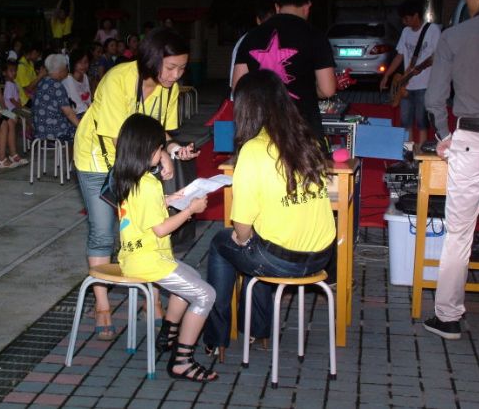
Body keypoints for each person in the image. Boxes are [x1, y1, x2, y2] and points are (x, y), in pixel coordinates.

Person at [73, 27, 198, 340]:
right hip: (98, 160)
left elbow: (159, 131)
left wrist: (172, 149)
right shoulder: (118, 79)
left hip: (139, 160)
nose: (176, 75)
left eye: (182, 68)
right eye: (171, 67)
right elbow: (120, 139)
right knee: (103, 232)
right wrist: (159, 157)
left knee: (148, 229)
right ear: (152, 60)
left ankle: (151, 298)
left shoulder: (169, 88)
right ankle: (102, 305)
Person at [202, 69, 336, 361]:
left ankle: (216, 336)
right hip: (321, 256)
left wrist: (242, 239)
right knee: (258, 245)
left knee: (223, 244)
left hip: (282, 261)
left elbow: (241, 225)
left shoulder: (253, 150)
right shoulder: (308, 140)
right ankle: (257, 329)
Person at [113, 113, 217, 382]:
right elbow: (160, 229)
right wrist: (190, 210)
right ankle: (182, 360)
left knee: (191, 278)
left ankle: (168, 335)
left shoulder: (129, 178)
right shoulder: (148, 184)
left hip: (135, 256)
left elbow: (144, 211)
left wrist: (170, 199)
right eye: (159, 149)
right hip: (149, 260)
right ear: (146, 149)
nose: (161, 154)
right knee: (205, 294)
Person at [422, 0, 479, 340]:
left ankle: (448, 317)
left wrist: (444, 135)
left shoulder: (456, 36)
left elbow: (435, 97)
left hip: (471, 140)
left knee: (459, 233)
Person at [232, 0, 336, 143]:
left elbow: (238, 87)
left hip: (259, 128)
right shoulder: (315, 37)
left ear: (277, 6)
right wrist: (307, 89)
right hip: (302, 130)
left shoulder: (252, 36)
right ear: (307, 6)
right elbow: (328, 90)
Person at [380, 0, 441, 145]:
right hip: (406, 86)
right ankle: (408, 153)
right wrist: (386, 76)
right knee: (405, 122)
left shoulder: (432, 30)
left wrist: (421, 67)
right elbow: (399, 55)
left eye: (406, 18)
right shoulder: (406, 32)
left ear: (416, 15)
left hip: (425, 86)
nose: (404, 22)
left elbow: (437, 56)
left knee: (422, 123)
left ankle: (420, 154)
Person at [229, 0, 277, 99]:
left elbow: (236, 85)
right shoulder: (290, 38)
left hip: (251, 103)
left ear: (258, 20)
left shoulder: (246, 40)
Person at [32, 54, 79, 142]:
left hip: (39, 129)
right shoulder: (57, 86)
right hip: (53, 131)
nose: (67, 70)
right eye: (66, 68)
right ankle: (72, 151)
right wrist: (81, 126)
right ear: (61, 70)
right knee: (78, 128)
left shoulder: (42, 81)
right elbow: (68, 113)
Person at [61, 49, 91, 117]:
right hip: (74, 115)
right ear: (74, 63)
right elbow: (77, 105)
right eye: (80, 62)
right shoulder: (68, 80)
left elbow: (88, 98)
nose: (83, 65)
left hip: (86, 111)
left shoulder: (85, 76)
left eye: (86, 62)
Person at [15, 42, 46, 107]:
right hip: (24, 101)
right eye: (38, 55)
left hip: (31, 97)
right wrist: (40, 75)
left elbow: (34, 83)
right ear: (34, 52)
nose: (38, 57)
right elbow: (28, 88)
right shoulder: (21, 66)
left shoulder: (30, 63)